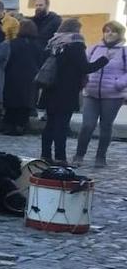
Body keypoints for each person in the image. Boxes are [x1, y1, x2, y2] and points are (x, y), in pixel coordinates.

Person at [40, 19, 109, 164]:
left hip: (50, 88)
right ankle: (60, 157)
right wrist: (104, 59)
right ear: (76, 30)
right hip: (67, 90)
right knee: (61, 125)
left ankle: (45, 155)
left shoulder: (53, 42)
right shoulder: (75, 43)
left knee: (50, 124)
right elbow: (85, 67)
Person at [74, 21, 127, 167]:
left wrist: (119, 84)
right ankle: (79, 155)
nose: (109, 34)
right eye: (107, 31)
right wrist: (86, 81)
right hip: (91, 93)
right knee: (87, 125)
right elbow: (85, 66)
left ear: (119, 34)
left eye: (113, 31)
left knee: (106, 126)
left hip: (112, 95)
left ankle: (100, 157)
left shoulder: (123, 52)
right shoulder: (94, 48)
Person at [3, 19, 45, 136]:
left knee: (12, 102)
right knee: (26, 103)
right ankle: (21, 125)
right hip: (31, 77)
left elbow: (8, 59)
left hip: (13, 75)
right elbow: (40, 61)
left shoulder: (13, 43)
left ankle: (10, 125)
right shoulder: (38, 45)